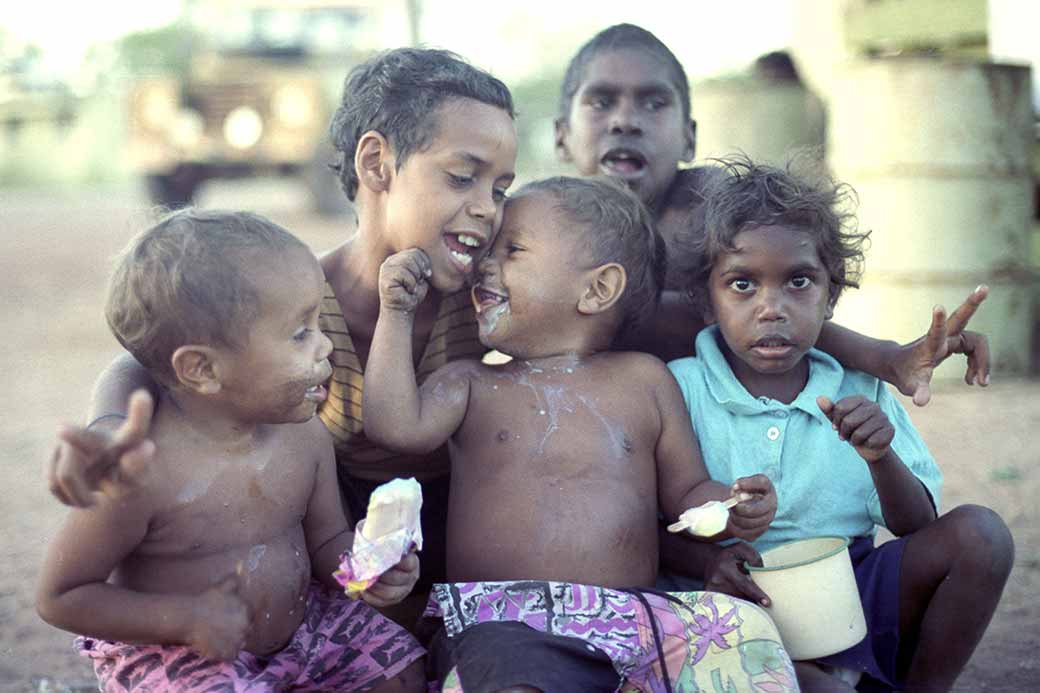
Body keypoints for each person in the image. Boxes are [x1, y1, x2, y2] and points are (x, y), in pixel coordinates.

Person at [45, 48, 519, 612]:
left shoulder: (483, 297)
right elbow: (153, 358)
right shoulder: (297, 294)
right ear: (377, 164)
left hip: (452, 524)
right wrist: (109, 425)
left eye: (500, 189)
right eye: (463, 177)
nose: (487, 208)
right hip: (330, 532)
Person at [552, 21, 994, 594]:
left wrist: (887, 360)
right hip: (599, 449)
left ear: (688, 137)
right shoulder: (540, 229)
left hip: (697, 446)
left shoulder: (707, 211)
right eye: (602, 101)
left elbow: (776, 304)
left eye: (653, 102)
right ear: (562, 135)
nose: (626, 119)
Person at [364, 176, 797, 692]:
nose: (485, 264)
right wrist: (395, 311)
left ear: (597, 289)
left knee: (749, 637)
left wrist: (731, 505)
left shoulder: (645, 380)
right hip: (504, 620)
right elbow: (393, 426)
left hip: (636, 619)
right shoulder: (471, 381)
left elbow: (686, 494)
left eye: (513, 250)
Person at [36, 209, 425, 691]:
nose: (325, 346)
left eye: (318, 323)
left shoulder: (306, 438)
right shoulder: (144, 473)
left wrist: (368, 567)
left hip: (305, 630)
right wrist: (184, 618)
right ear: (202, 369)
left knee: (400, 667)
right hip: (181, 652)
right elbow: (60, 596)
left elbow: (328, 544)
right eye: (300, 333)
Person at [666, 156, 1014, 692]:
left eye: (798, 281)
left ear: (831, 295)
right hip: (735, 604)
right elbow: (650, 526)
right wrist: (707, 561)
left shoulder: (857, 385)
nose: (771, 307)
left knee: (981, 535)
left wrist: (880, 456)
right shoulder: (679, 388)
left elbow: (917, 524)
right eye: (742, 285)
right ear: (705, 301)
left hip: (848, 595)